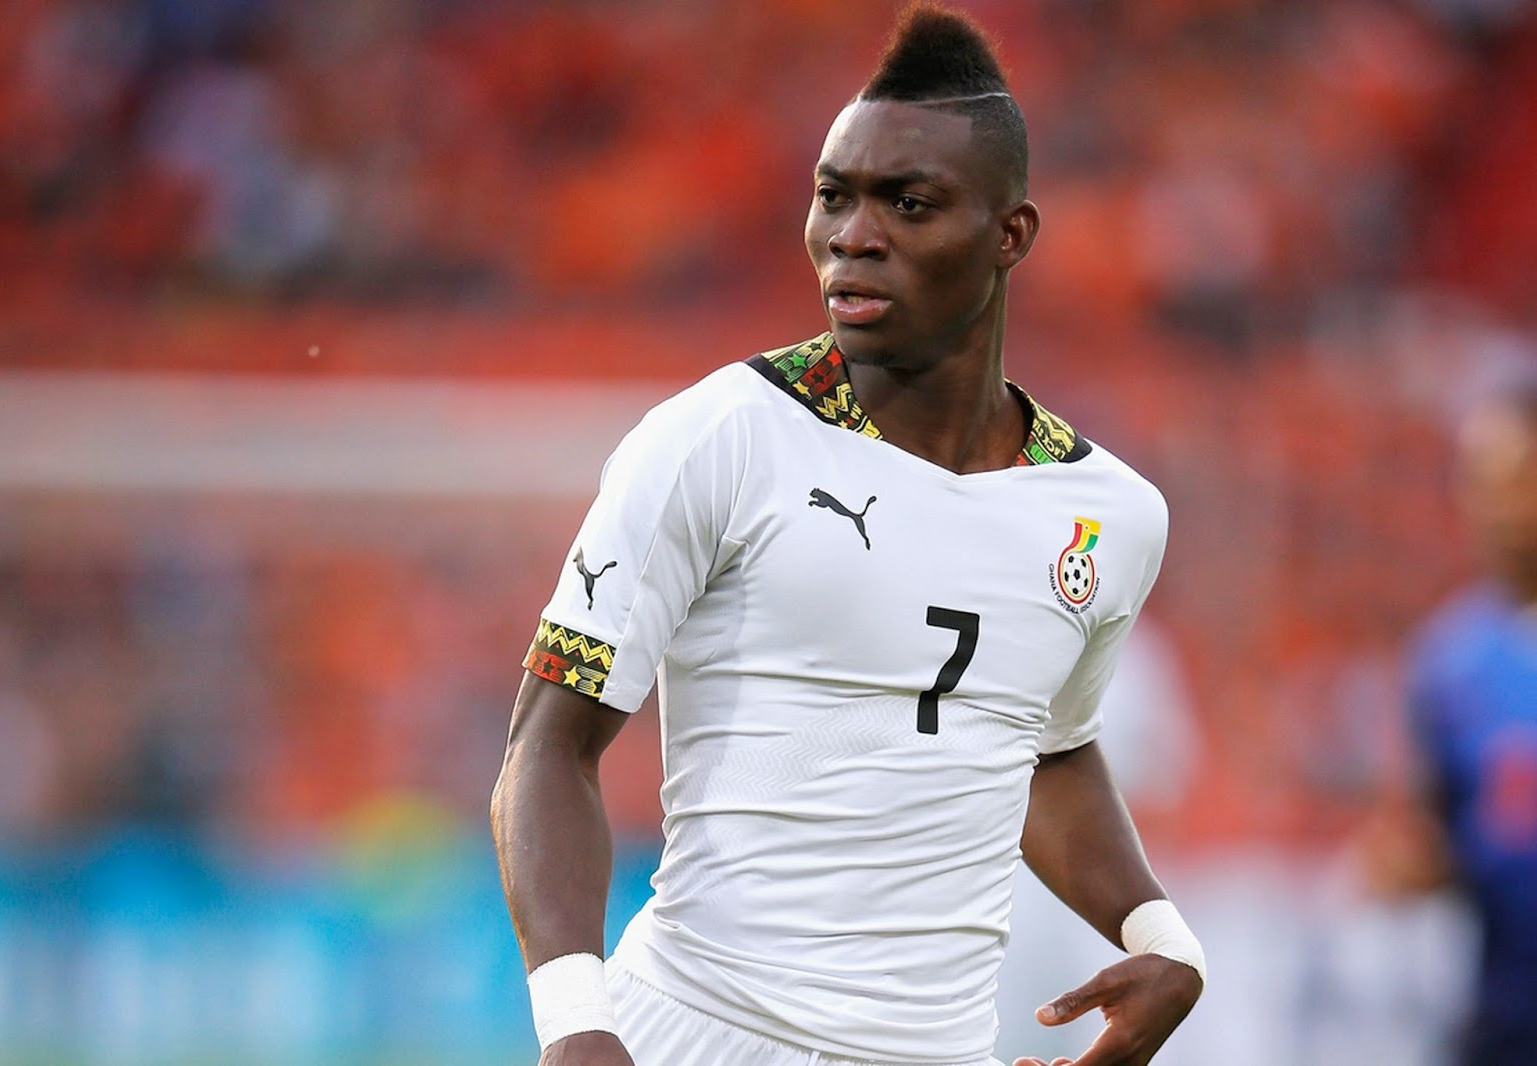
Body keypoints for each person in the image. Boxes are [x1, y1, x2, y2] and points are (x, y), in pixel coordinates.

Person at [490, 6, 1205, 1065]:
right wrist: (574, 1021)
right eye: (834, 196)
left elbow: (1045, 749)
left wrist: (1160, 937)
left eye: (907, 203)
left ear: (1009, 235)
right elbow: (547, 747)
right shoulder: (721, 438)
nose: (852, 236)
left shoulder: (1108, 515)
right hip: (697, 1034)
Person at [1369, 370, 1537, 1066]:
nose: (1494, 505)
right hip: (1505, 1025)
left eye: (1516, 477)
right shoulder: (1449, 663)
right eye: (1478, 480)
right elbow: (1435, 835)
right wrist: (1407, 864)